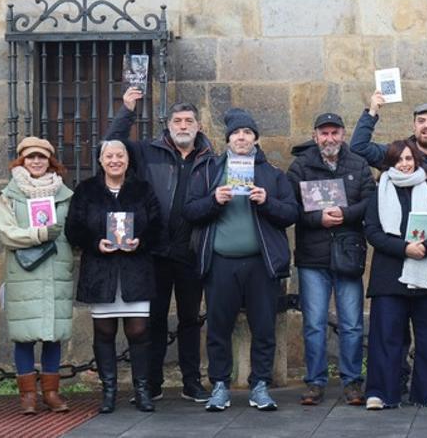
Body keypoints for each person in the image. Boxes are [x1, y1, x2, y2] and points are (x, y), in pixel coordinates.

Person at [103, 88, 215, 403]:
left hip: (191, 251)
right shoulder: (147, 152)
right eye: (177, 121)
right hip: (154, 251)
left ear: (198, 125)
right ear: (168, 125)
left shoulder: (210, 161)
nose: (183, 126)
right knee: (153, 320)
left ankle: (192, 382)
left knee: (191, 320)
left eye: (188, 120)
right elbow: (111, 145)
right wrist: (126, 109)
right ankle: (152, 383)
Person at [184, 108, 299, 412]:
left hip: (261, 264)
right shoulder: (209, 171)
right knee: (219, 327)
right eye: (236, 133)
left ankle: (259, 385)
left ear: (256, 139)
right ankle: (220, 385)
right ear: (228, 140)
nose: (241, 137)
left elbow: (291, 214)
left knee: (264, 327)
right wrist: (213, 200)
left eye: (247, 133)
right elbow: (190, 211)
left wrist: (267, 201)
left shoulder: (272, 174)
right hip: (221, 262)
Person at [350, 91, 427, 395]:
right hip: (393, 268)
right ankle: (388, 386)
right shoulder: (389, 171)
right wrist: (372, 110)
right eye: (421, 121)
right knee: (390, 334)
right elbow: (358, 147)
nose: (426, 126)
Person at [65, 140, 162, 413]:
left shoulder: (142, 190)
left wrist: (140, 241)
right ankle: (108, 392)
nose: (115, 160)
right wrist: (95, 242)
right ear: (100, 160)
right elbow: (73, 227)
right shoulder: (86, 190)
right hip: (101, 271)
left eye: (120, 155)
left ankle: (142, 390)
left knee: (139, 331)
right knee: (104, 332)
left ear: (128, 160)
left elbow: (157, 225)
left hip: (136, 270)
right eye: (109, 156)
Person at [286, 113, 376, 406]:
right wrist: (316, 218)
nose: (329, 138)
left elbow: (370, 203)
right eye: (323, 133)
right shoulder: (300, 166)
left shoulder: (359, 164)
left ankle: (352, 381)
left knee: (351, 323)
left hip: (348, 252)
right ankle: (315, 382)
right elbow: (290, 208)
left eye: (334, 132)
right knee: (314, 323)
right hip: (313, 256)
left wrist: (346, 214)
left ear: (343, 134)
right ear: (315, 136)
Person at [364, 140, 427, 410]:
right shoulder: (379, 190)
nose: (404, 164)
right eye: (398, 160)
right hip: (390, 276)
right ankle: (381, 392)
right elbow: (373, 232)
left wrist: (425, 247)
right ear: (390, 165)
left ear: (416, 160)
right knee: (386, 336)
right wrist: (404, 248)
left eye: (409, 158)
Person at [0, 137, 74, 414]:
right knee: (24, 335)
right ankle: (28, 395)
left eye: (42, 157)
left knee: (53, 334)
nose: (36, 162)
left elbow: (74, 231)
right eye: (30, 157)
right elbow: (7, 233)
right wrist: (39, 234)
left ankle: (51, 392)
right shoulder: (9, 195)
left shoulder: (65, 195)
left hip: (56, 269)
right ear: (22, 161)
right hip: (24, 271)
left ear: (50, 161)